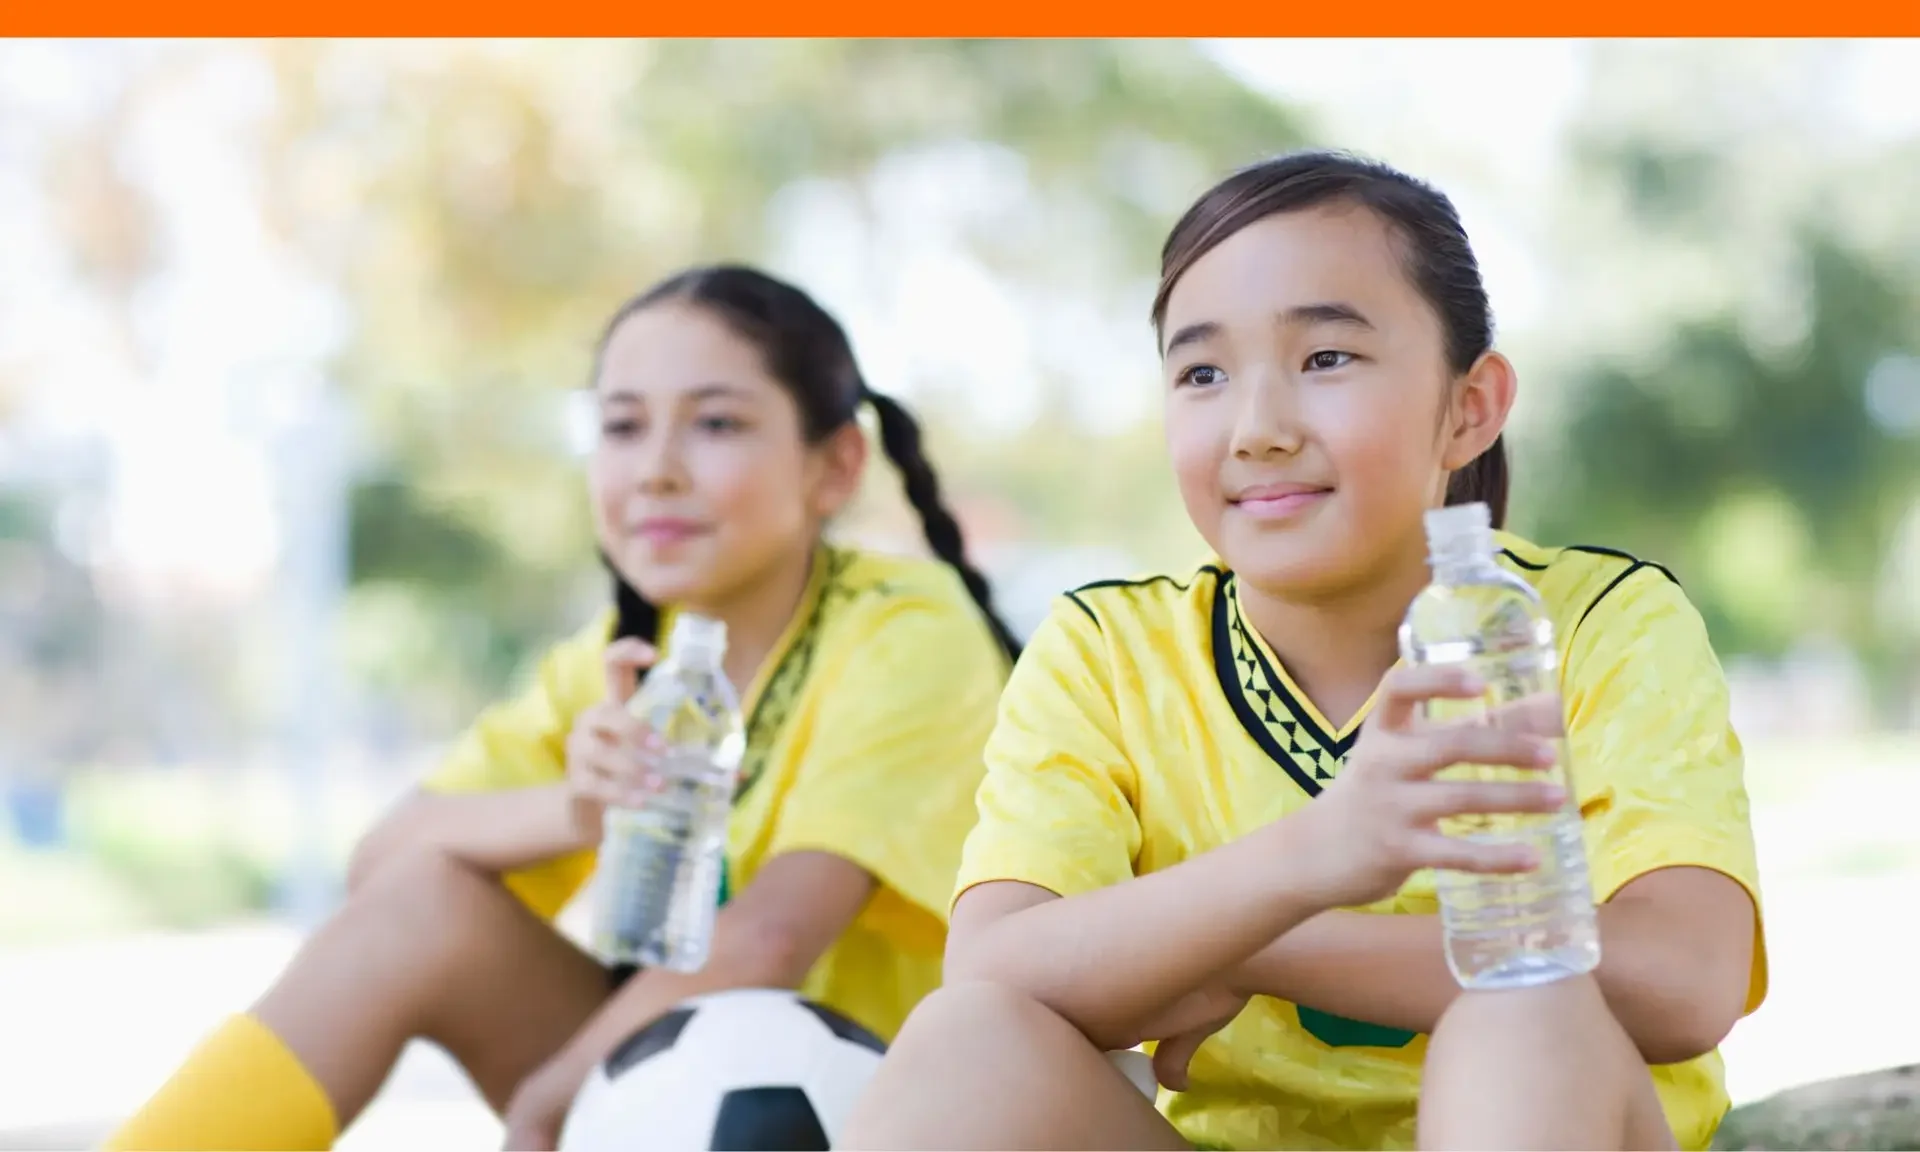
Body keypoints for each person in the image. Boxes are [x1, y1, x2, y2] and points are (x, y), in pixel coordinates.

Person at [841, 151, 1766, 1152]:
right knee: (968, 1044)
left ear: (1470, 407)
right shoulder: (1106, 652)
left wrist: (1251, 947)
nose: (1258, 429)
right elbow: (993, 971)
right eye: (1202, 374)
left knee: (1521, 1005)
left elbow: (1683, 980)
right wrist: (1313, 857)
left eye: (1326, 358)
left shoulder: (1596, 624)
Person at [107, 265, 1021, 1152]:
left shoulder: (910, 628)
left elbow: (770, 938)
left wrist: (552, 1096)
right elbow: (385, 864)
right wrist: (579, 808)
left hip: (892, 1106)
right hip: (679, 1081)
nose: (656, 470)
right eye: (622, 426)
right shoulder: (625, 655)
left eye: (715, 423)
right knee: (422, 907)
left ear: (836, 466)